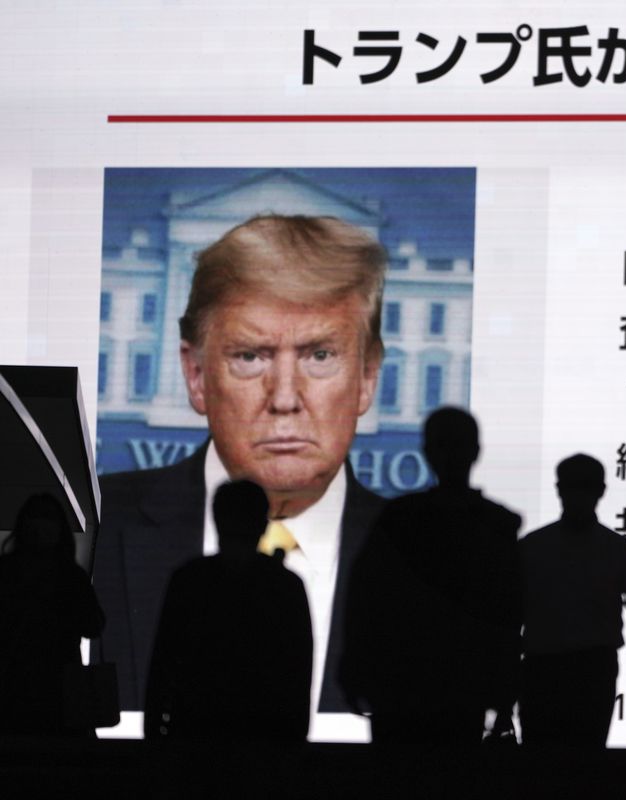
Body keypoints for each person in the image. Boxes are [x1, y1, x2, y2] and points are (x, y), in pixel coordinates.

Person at [93, 215, 387, 718]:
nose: (286, 399)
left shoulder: (420, 556)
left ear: (366, 377)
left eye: (319, 355)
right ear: (195, 375)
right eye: (251, 356)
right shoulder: (94, 526)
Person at [340, 407, 521, 749]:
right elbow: (509, 616)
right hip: (461, 689)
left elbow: (365, 601)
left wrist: (355, 671)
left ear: (426, 452)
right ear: (477, 452)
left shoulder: (397, 521)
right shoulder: (496, 526)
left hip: (402, 687)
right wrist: (504, 689)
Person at [144, 480, 312, 741]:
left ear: (217, 520)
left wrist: (154, 731)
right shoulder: (286, 586)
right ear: (264, 526)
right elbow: (299, 671)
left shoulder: (188, 579)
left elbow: (163, 662)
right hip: (265, 736)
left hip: (195, 732)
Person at [519, 454, 626, 749]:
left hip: (548, 668)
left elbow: (508, 617)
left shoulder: (532, 547)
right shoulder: (616, 548)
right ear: (602, 490)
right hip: (586, 669)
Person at [0, 493, 105, 736]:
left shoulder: (6, 571)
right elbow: (94, 625)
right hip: (63, 691)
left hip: (12, 689)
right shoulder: (71, 576)